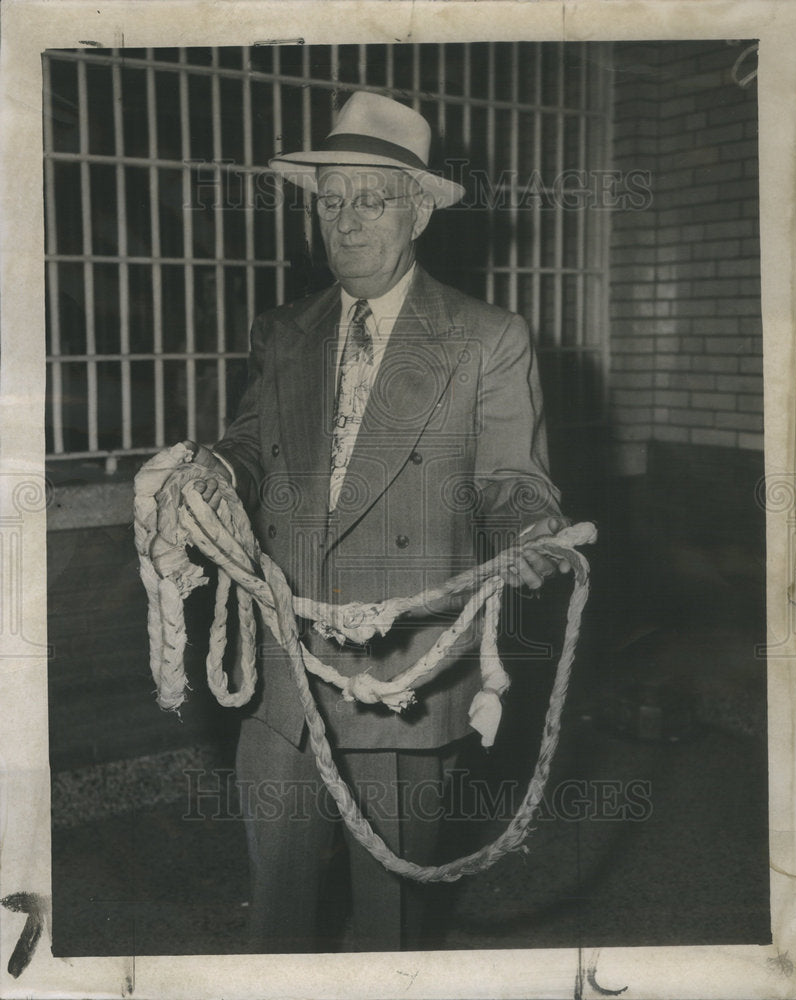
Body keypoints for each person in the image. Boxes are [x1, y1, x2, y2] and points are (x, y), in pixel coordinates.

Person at [188, 91, 569, 952]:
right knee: (275, 916)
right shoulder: (283, 332)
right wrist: (210, 470)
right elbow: (251, 447)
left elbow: (514, 482)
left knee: (389, 926)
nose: (347, 223)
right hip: (285, 676)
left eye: (371, 199)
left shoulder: (485, 338)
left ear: (417, 212)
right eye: (330, 201)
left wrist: (527, 538)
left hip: (405, 680)